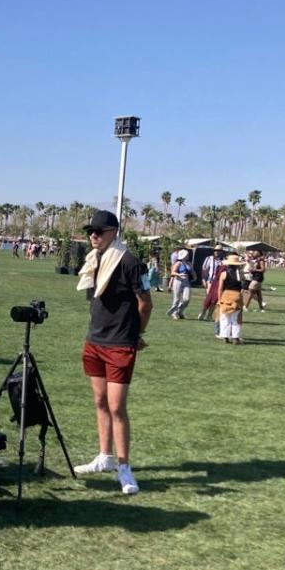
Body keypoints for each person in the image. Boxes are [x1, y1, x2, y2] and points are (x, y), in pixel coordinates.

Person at [72, 211, 152, 495]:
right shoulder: (93, 260)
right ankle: (104, 457)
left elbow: (145, 303)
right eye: (90, 231)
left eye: (99, 231)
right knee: (100, 402)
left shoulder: (129, 262)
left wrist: (136, 335)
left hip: (119, 344)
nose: (93, 235)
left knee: (117, 407)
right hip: (95, 340)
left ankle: (124, 466)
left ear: (114, 232)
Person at [216, 254, 246, 343]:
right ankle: (235, 337)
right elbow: (243, 288)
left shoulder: (223, 274)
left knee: (225, 317)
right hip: (236, 296)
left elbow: (220, 288)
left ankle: (225, 336)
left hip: (225, 295)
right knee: (236, 318)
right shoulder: (240, 274)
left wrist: (219, 299)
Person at [197, 246, 224, 321]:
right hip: (210, 281)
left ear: (221, 252)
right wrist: (203, 280)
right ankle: (202, 313)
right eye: (215, 250)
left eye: (218, 250)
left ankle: (209, 315)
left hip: (218, 282)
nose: (216, 252)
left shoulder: (223, 260)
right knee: (209, 298)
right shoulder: (209, 259)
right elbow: (204, 270)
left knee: (214, 300)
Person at [166, 249, 192, 319]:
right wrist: (179, 274)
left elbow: (192, 271)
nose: (188, 256)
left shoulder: (189, 263)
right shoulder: (178, 263)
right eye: (187, 255)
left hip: (186, 282)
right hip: (178, 281)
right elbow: (172, 273)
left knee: (186, 299)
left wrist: (194, 275)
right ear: (184, 256)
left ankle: (179, 311)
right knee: (176, 299)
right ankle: (174, 313)